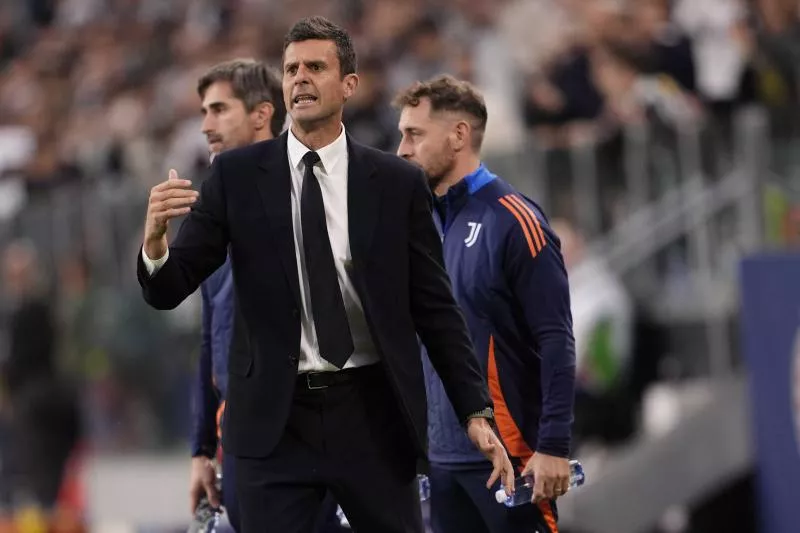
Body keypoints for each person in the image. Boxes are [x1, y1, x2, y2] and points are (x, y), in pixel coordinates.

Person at [136, 16, 514, 533]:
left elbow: (435, 308)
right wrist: (155, 242)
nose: (300, 78)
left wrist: (475, 410)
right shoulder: (236, 177)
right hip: (274, 421)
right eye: (291, 69)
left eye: (316, 67)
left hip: (371, 415)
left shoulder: (396, 183)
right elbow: (169, 287)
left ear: (349, 84)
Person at [394, 74, 577, 533]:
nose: (402, 149)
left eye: (414, 134)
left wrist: (553, 444)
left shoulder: (515, 220)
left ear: (458, 135)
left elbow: (556, 338)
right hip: (441, 461)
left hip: (510, 458)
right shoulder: (420, 225)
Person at [187, 58, 285, 532]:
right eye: (204, 112)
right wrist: (202, 449)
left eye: (219, 110)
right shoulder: (211, 216)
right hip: (240, 439)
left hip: (306, 435)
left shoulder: (310, 198)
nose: (206, 125)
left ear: (261, 114)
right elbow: (211, 342)